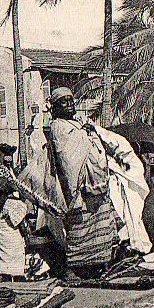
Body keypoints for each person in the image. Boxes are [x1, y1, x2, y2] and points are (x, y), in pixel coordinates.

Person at [46, 87, 120, 280]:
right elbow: (68, 156)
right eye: (64, 101)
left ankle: (99, 263)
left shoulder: (78, 124)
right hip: (78, 186)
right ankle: (74, 266)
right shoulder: (58, 126)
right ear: (55, 107)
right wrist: (84, 135)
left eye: (71, 100)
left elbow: (93, 144)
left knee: (100, 224)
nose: (70, 104)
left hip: (95, 182)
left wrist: (90, 133)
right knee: (78, 227)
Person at [0, 177, 29, 281]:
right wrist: (26, 235)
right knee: (17, 264)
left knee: (4, 263)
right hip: (14, 237)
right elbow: (20, 223)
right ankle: (19, 282)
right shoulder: (13, 204)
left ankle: (6, 282)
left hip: (1, 238)